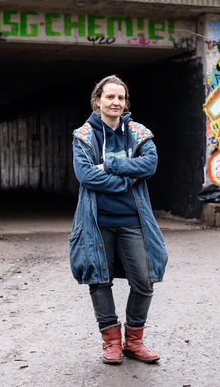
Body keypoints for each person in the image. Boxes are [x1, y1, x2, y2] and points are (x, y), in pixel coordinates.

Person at [69, 74, 168, 365]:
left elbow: (149, 164)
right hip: (96, 222)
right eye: (110, 97)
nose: (116, 102)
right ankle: (111, 342)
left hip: (133, 220)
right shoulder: (83, 136)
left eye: (121, 98)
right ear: (97, 100)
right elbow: (86, 176)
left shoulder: (138, 133)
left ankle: (134, 342)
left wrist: (111, 164)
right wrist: (127, 180)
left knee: (144, 280)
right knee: (99, 280)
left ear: (125, 103)